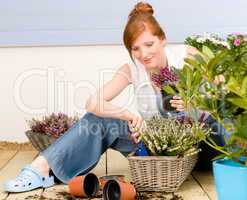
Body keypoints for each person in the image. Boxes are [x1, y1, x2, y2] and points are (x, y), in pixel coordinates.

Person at [4, 2, 225, 193]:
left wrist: (196, 103)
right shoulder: (132, 70)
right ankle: (40, 169)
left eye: (149, 44)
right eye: (135, 48)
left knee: (218, 123)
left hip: (200, 145)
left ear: (163, 39)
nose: (144, 54)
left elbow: (226, 92)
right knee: (98, 119)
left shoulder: (188, 57)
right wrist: (126, 114)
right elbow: (92, 103)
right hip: (158, 147)